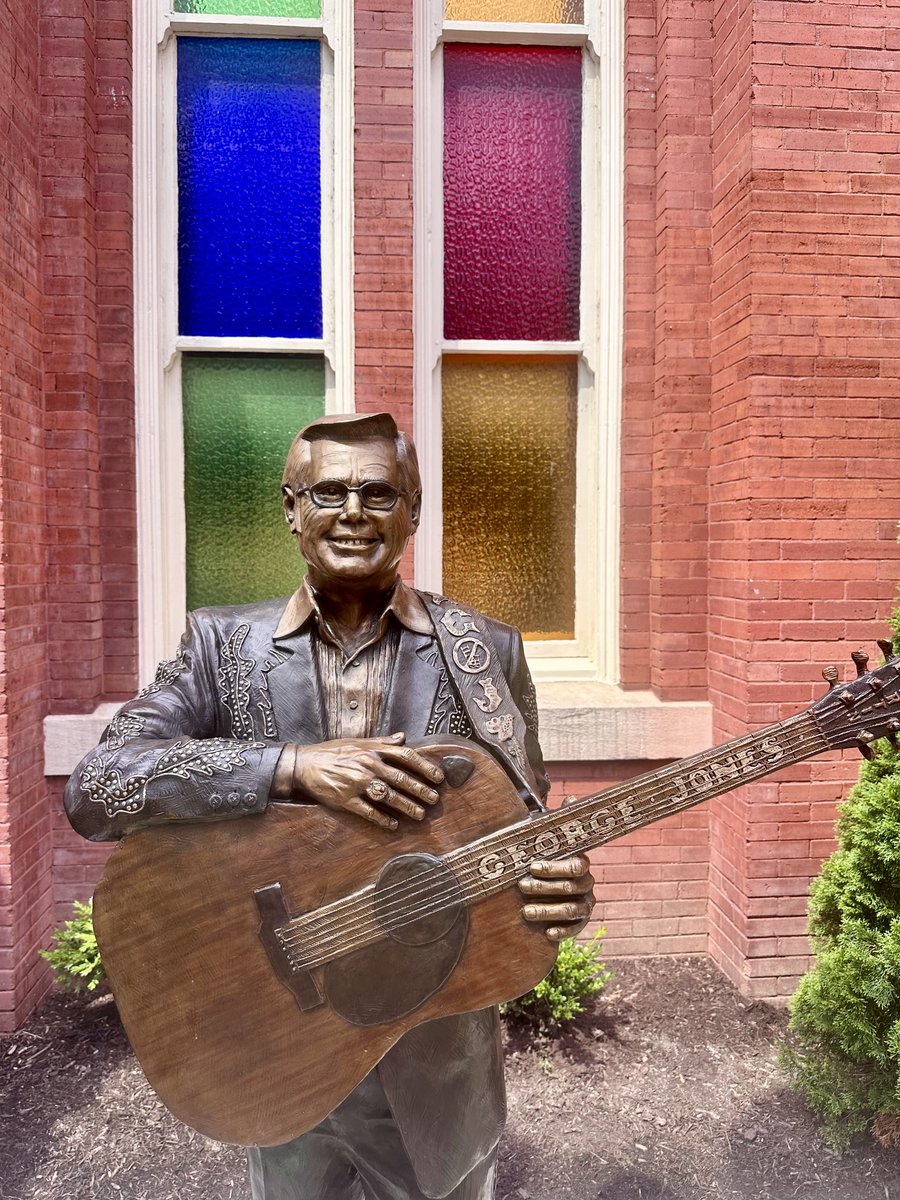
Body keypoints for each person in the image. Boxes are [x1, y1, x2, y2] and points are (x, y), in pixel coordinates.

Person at [64, 411, 596, 1200]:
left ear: (413, 511)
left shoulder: (486, 653)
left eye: (379, 493)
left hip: (434, 1059)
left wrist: (561, 887)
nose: (354, 511)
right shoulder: (222, 646)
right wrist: (292, 767)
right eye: (330, 491)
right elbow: (98, 785)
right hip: (278, 1037)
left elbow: (523, 826)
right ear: (291, 509)